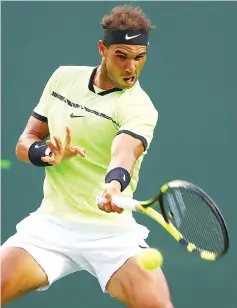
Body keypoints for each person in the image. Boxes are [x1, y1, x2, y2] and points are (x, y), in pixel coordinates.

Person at [1, 5, 174, 308]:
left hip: (112, 237)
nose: (131, 68)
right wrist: (47, 154)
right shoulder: (63, 78)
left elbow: (125, 152)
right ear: (102, 49)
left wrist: (113, 185)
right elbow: (24, 144)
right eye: (121, 56)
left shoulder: (140, 108)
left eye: (139, 57)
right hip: (51, 225)